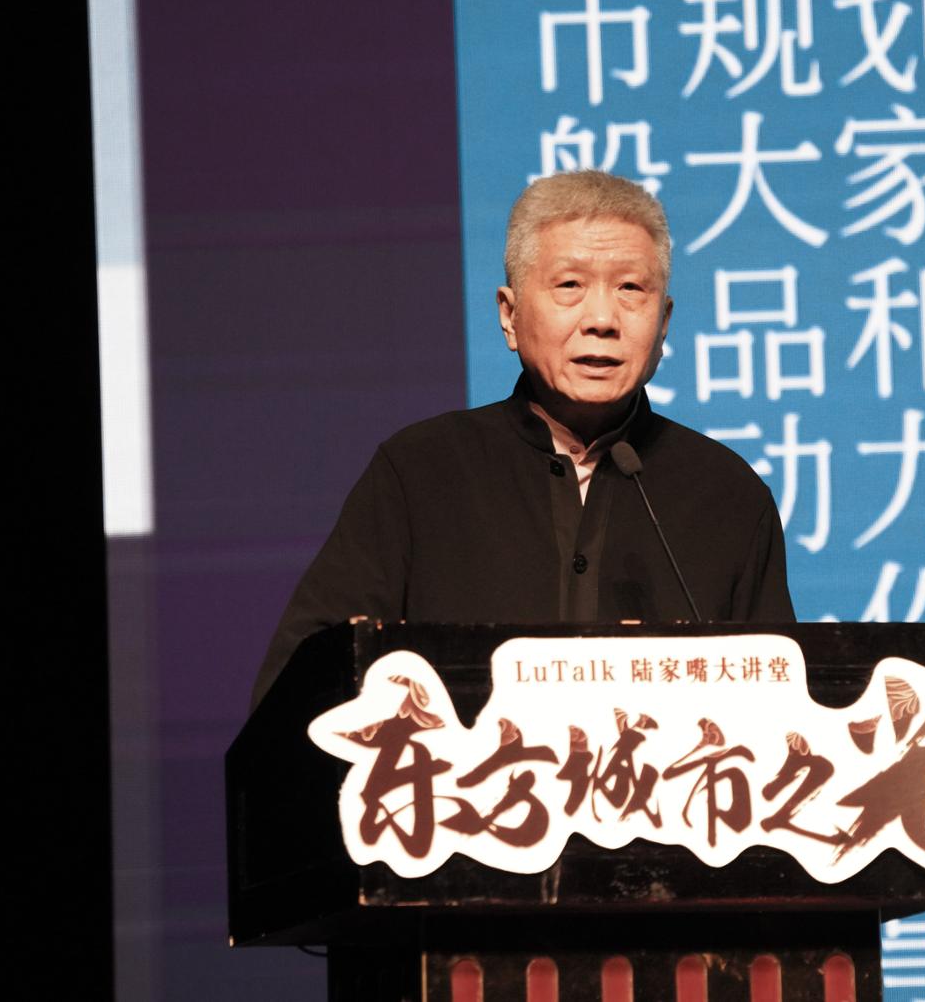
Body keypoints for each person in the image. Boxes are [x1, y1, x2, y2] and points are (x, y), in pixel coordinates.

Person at [253, 170, 795, 705]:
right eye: (570, 285)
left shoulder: (728, 495)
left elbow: (784, 709)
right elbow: (301, 687)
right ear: (509, 316)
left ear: (664, 323)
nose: (602, 319)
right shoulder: (420, 474)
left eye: (630, 288)